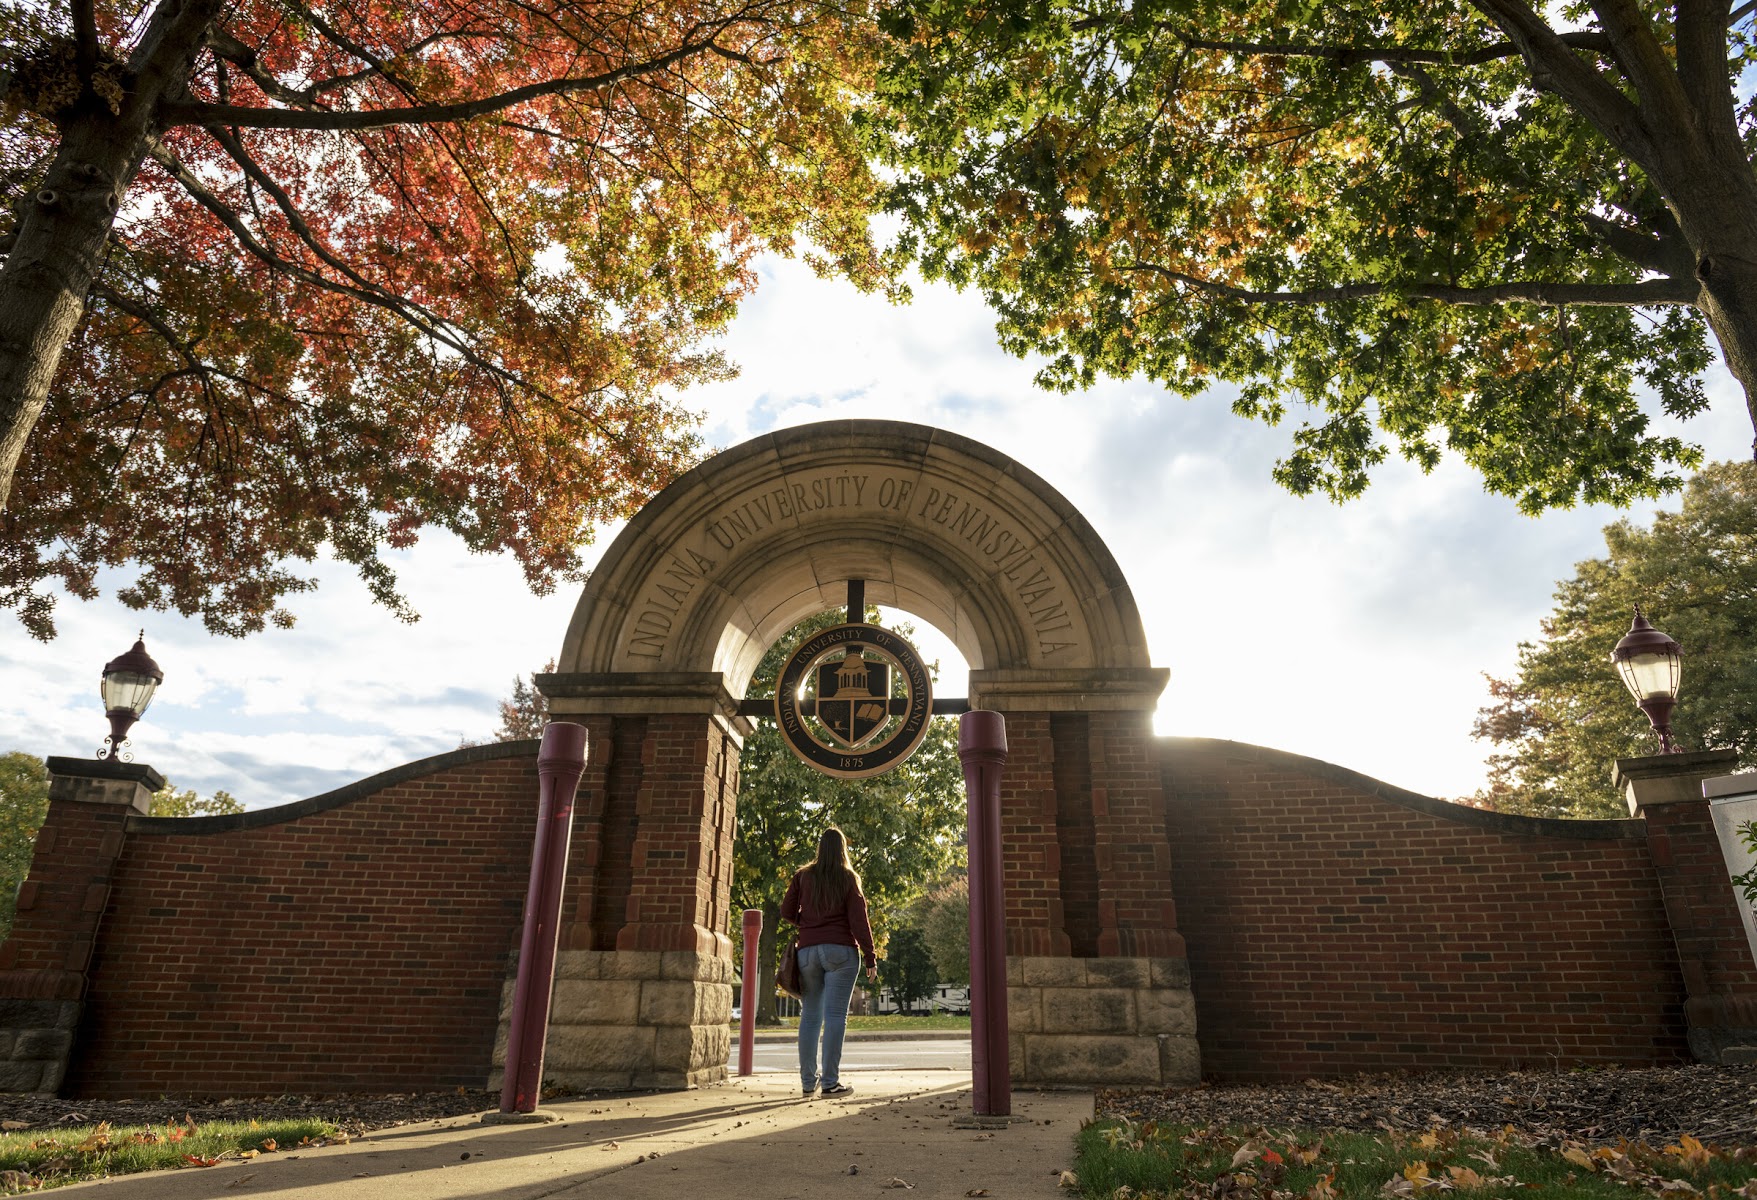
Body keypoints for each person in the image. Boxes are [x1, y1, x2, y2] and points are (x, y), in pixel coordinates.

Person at [779, 826, 879, 1098]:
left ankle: (808, 1082)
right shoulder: (848, 878)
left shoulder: (803, 876)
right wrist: (870, 956)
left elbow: (786, 911)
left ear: (819, 849)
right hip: (841, 952)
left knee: (810, 1017)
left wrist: (808, 925)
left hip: (807, 952)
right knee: (835, 1017)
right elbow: (859, 920)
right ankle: (830, 1083)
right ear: (843, 849)